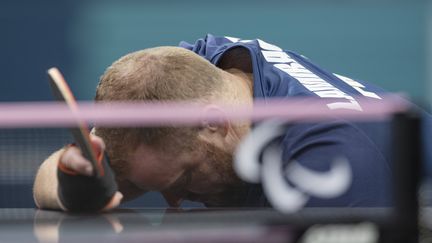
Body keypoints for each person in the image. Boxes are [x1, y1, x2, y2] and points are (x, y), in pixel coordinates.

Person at [33, 34, 402, 212]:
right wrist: (76, 182)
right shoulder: (194, 70)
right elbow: (46, 183)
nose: (176, 200)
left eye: (186, 180)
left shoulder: (329, 164)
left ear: (214, 123)